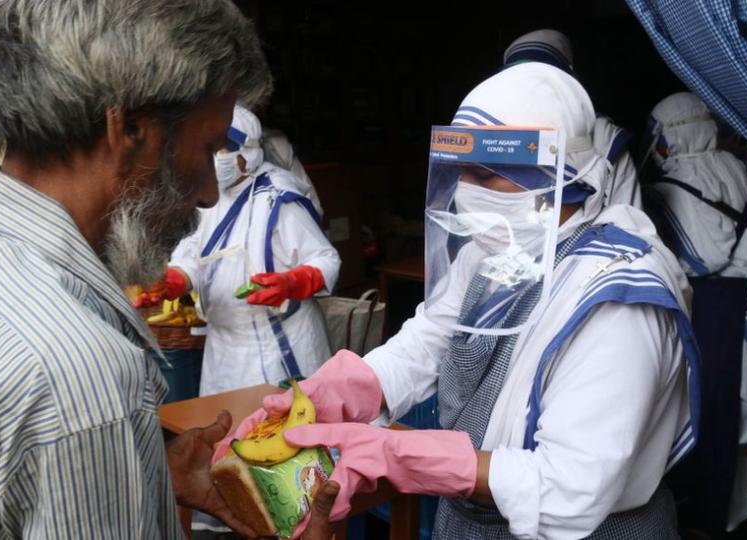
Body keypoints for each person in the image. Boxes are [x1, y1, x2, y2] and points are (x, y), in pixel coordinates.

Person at [0, 2, 336, 537]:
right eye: (205, 151)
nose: (206, 194)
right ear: (128, 127)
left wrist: (145, 466)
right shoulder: (82, 377)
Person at [221, 63, 701, 539]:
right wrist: (353, 386)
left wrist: (405, 456)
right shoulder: (492, 252)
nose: (467, 195)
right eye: (461, 175)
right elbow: (429, 341)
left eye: (486, 177)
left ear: (557, 173)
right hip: (472, 522)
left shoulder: (618, 299)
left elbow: (569, 488)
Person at [641, 92, 747, 533]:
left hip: (716, 321)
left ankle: (712, 521)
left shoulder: (665, 192)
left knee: (715, 425)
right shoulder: (742, 168)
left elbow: (692, 260)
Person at [163, 104, 340, 396]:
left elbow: (326, 259)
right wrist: (176, 279)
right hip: (222, 350)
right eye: (209, 148)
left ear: (248, 154)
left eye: (223, 148)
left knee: (284, 434)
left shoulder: (279, 196)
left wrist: (292, 282)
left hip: (279, 344)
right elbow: (195, 250)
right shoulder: (207, 195)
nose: (215, 157)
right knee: (223, 430)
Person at [503, 29, 641, 209]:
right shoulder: (488, 134)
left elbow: (629, 221)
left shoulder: (603, 137)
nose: (527, 88)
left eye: (539, 78)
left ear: (565, 82)